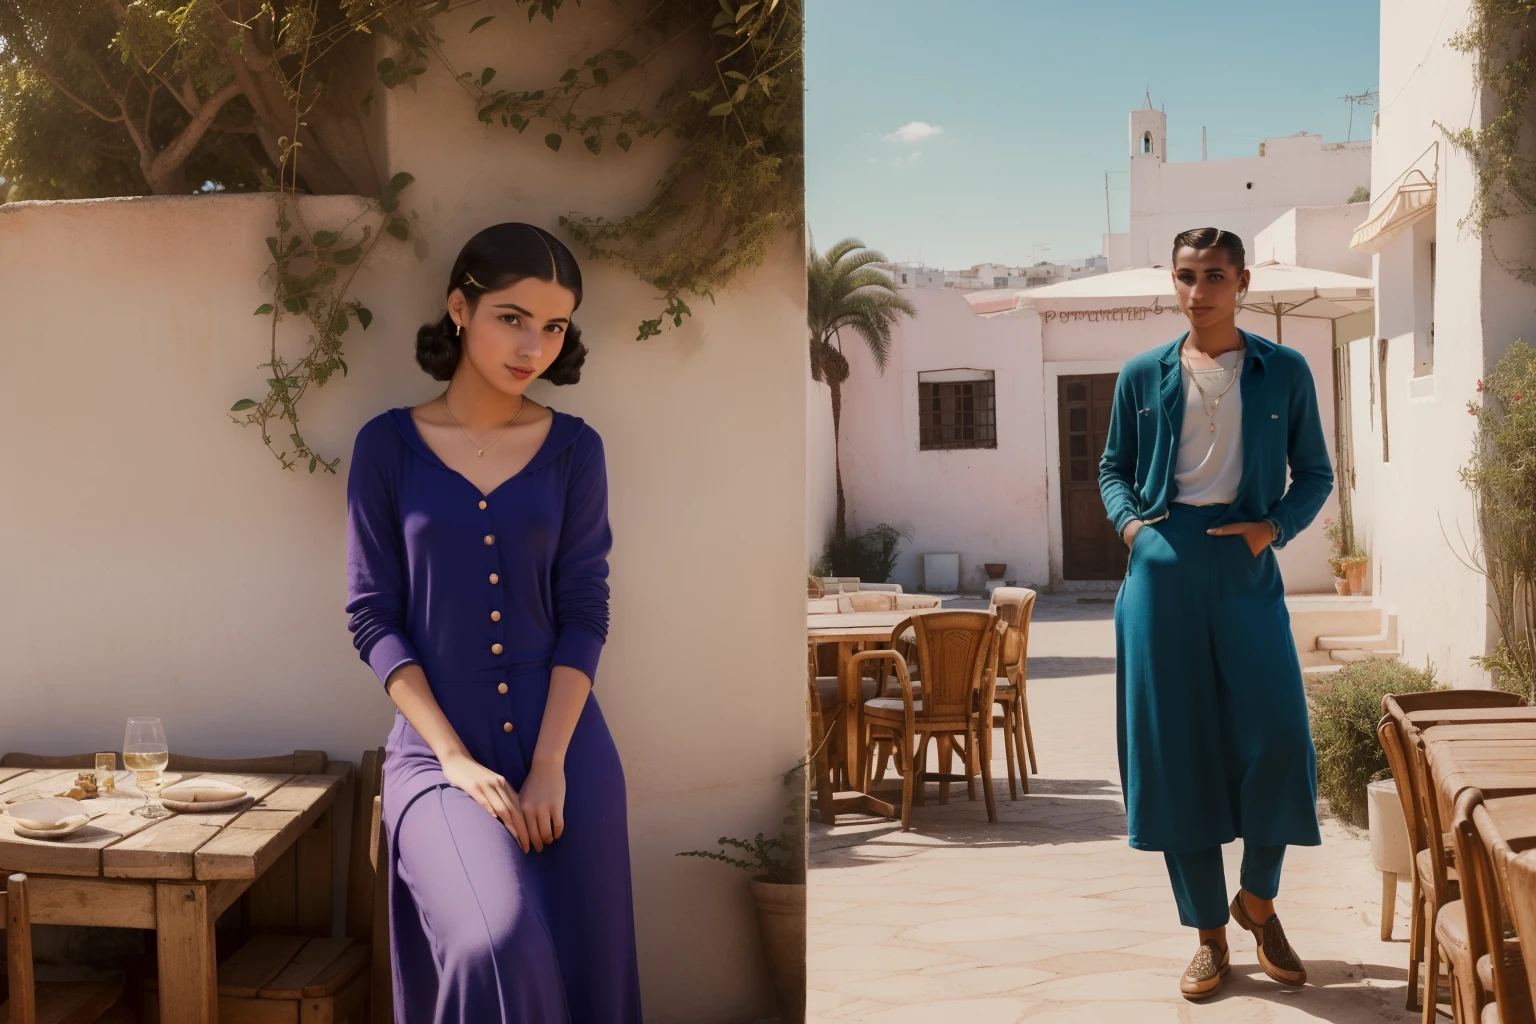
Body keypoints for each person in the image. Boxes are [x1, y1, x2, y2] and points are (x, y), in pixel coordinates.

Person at [345, 222, 642, 1022]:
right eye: (512, 317)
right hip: (438, 757)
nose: (533, 345)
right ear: (458, 308)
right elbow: (373, 618)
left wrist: (550, 762)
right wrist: (452, 760)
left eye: (553, 326)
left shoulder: (576, 451)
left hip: (567, 747)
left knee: (587, 974)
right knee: (493, 945)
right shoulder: (387, 448)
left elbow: (586, 607)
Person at [1098, 227, 1333, 1001]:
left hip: (1245, 561)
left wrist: (1274, 529)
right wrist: (1134, 528)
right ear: (1174, 282)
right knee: (1177, 751)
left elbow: (1315, 474)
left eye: (1215, 277)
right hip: (1163, 571)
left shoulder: (1283, 371)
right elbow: (1113, 470)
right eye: (1186, 277)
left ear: (1242, 282)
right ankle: (1207, 935)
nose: (1199, 292)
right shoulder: (1143, 375)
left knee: (1277, 734)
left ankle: (1257, 899)